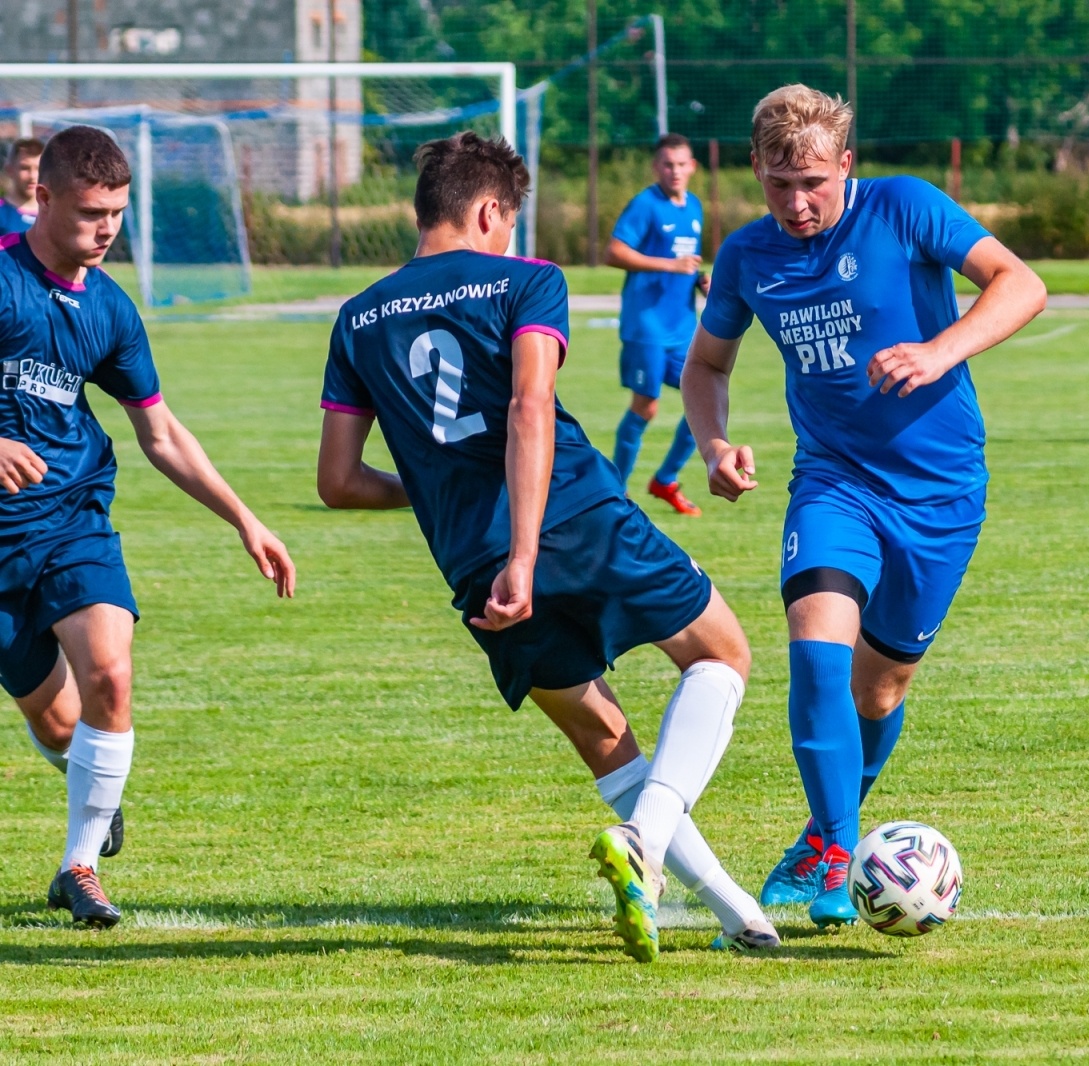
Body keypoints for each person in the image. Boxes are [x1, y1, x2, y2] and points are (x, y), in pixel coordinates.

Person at [316, 132, 776, 962]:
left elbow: (339, 482)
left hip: (471, 560)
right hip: (574, 517)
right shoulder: (526, 280)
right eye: (508, 221)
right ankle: (644, 840)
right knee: (721, 654)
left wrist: (446, 496)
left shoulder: (357, 319)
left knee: (604, 738)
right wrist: (526, 554)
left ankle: (739, 915)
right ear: (489, 211)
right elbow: (529, 408)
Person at [680, 85, 1046, 928]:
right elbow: (706, 366)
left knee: (878, 693)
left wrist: (938, 350)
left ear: (845, 164)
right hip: (833, 482)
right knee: (816, 653)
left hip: (940, 492)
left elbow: (1020, 284)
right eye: (779, 185)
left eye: (813, 182)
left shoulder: (905, 207)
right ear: (756, 171)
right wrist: (714, 445)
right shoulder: (746, 257)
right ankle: (839, 854)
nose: (797, 203)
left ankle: (819, 832)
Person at [1, 126, 296, 928]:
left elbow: (159, 433)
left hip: (72, 520)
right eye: (91, 213)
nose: (107, 230)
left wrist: (244, 518)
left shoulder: (110, 308)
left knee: (110, 675)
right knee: (58, 722)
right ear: (43, 197)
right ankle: (91, 792)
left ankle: (80, 865)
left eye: (118, 214)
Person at [606, 133, 710, 517]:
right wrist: (670, 266)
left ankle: (665, 480)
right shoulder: (645, 205)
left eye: (681, 164)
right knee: (646, 407)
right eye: (667, 164)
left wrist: (700, 280)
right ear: (656, 167)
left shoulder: (694, 206)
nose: (675, 171)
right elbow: (614, 251)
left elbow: (686, 262)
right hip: (647, 326)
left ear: (692, 167)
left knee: (704, 401)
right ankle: (614, 493)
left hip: (682, 326)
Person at [0, 137, 44, 235]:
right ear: (9, 170)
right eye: (25, 168)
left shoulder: (54, 214)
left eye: (38, 168)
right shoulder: (2, 213)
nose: (32, 176)